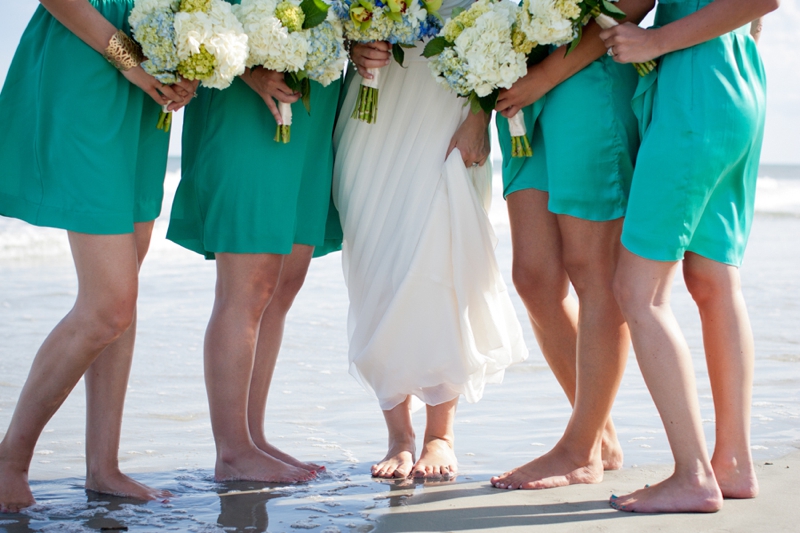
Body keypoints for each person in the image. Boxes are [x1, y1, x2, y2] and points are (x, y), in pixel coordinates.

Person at [0, 0, 194, 513]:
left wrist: (189, 64)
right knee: (109, 304)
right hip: (88, 61)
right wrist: (131, 59)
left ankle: (103, 467)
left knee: (120, 298)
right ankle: (9, 460)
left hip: (147, 77)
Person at [334, 0, 528, 479]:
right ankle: (398, 435)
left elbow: (505, 32)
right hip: (371, 114)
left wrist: (480, 118)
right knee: (375, 261)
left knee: (442, 250)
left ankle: (440, 434)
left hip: (450, 109)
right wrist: (353, 43)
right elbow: (336, 20)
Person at [600, 0, 779, 513]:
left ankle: (693, 476)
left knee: (638, 291)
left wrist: (654, 40)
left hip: (696, 88)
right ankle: (734, 465)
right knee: (713, 280)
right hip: (736, 76)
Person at [166, 1, 342, 482]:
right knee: (249, 286)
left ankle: (253, 435)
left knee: (285, 282)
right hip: (247, 93)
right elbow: (194, 8)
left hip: (317, 95)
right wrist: (247, 69)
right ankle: (232, 451)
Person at [490, 0, 654, 490]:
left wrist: (546, 73)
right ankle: (599, 436)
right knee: (534, 279)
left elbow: (633, 1)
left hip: (585, 78)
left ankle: (579, 449)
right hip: (518, 86)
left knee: (592, 271)